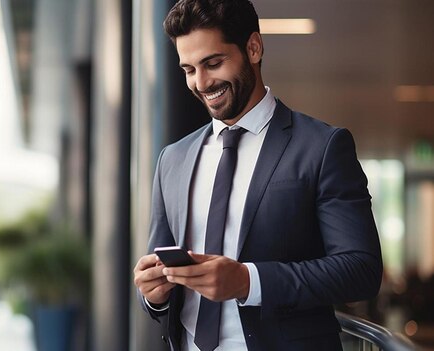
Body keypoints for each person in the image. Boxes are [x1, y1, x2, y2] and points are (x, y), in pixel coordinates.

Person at [132, 1, 383, 350]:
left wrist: (248, 281)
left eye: (213, 63)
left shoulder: (322, 147)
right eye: (189, 69)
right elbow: (166, 287)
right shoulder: (172, 159)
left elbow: (361, 270)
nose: (201, 83)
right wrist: (154, 295)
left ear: (253, 48)